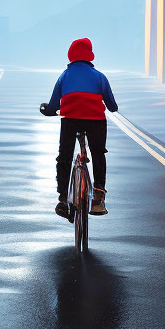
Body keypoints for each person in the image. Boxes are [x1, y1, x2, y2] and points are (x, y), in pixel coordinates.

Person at [39, 37, 118, 219]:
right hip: (95, 121)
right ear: (90, 55)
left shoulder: (64, 76)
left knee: (64, 156)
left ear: (70, 55)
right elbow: (112, 105)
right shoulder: (100, 76)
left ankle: (63, 199)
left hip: (70, 120)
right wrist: (113, 108)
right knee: (98, 154)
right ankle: (98, 197)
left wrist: (47, 110)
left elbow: (52, 105)